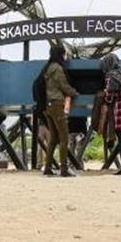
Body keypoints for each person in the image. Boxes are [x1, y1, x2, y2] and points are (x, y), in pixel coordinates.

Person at [41, 44, 79, 178]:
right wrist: (75, 92)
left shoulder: (48, 68)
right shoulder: (57, 69)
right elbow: (63, 86)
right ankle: (63, 169)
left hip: (48, 105)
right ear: (60, 54)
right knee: (64, 137)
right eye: (64, 54)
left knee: (54, 139)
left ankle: (47, 168)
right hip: (57, 104)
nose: (65, 56)